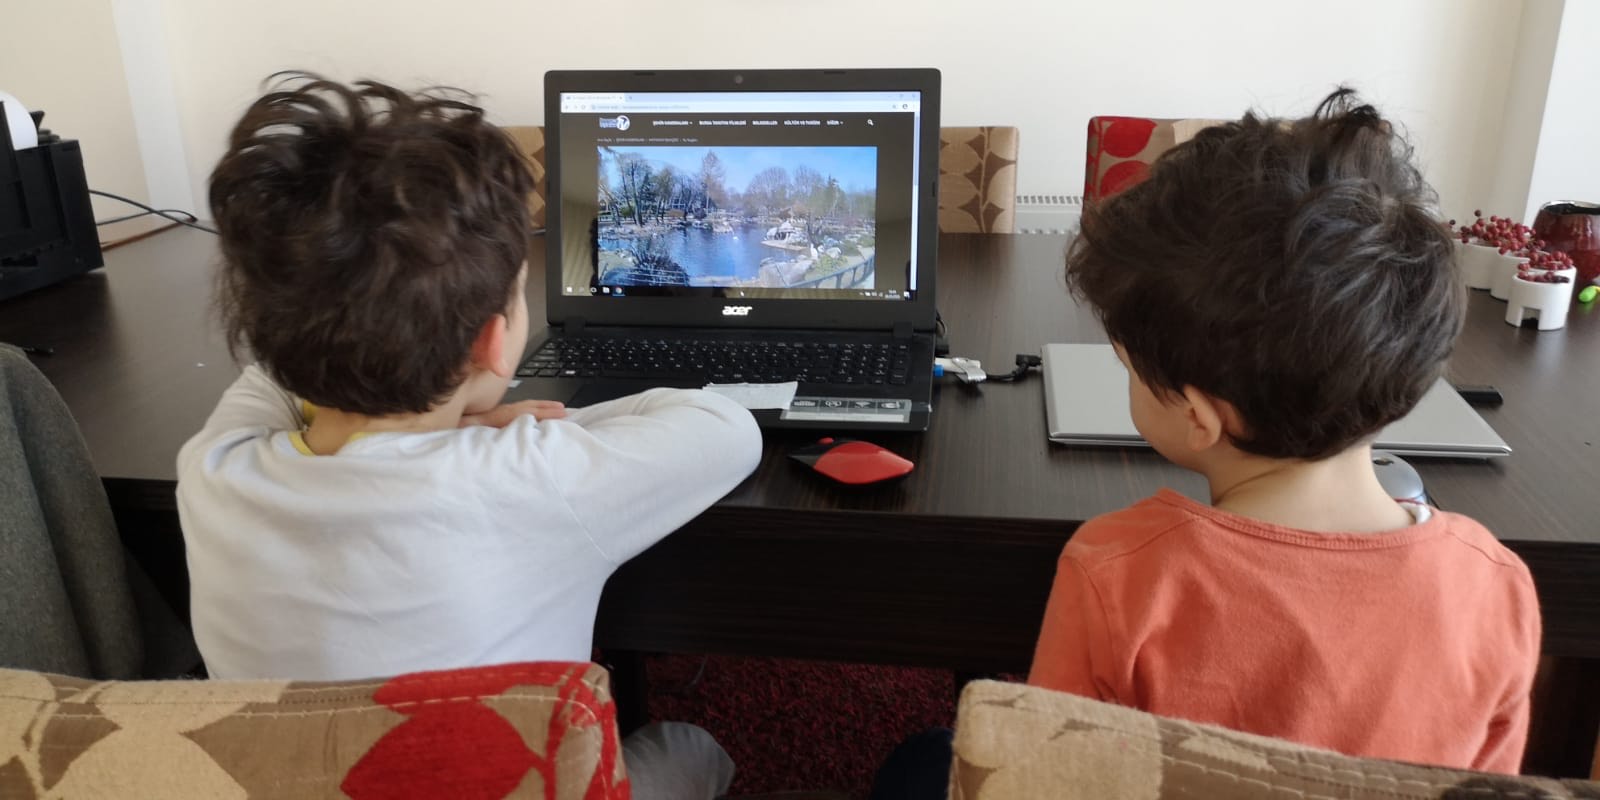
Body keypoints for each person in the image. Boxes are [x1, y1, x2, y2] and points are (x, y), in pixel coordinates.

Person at [178, 74, 760, 798]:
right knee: (690, 746)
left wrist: (449, 419)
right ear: (493, 342)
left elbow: (270, 371)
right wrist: (522, 428)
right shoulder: (533, 475)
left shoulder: (214, 466)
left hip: (293, 783)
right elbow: (726, 428)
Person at [1029, 88, 1540, 774]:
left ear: (1199, 416)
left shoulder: (1117, 572)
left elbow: (1049, 777)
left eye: (1127, 369)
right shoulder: (1494, 584)